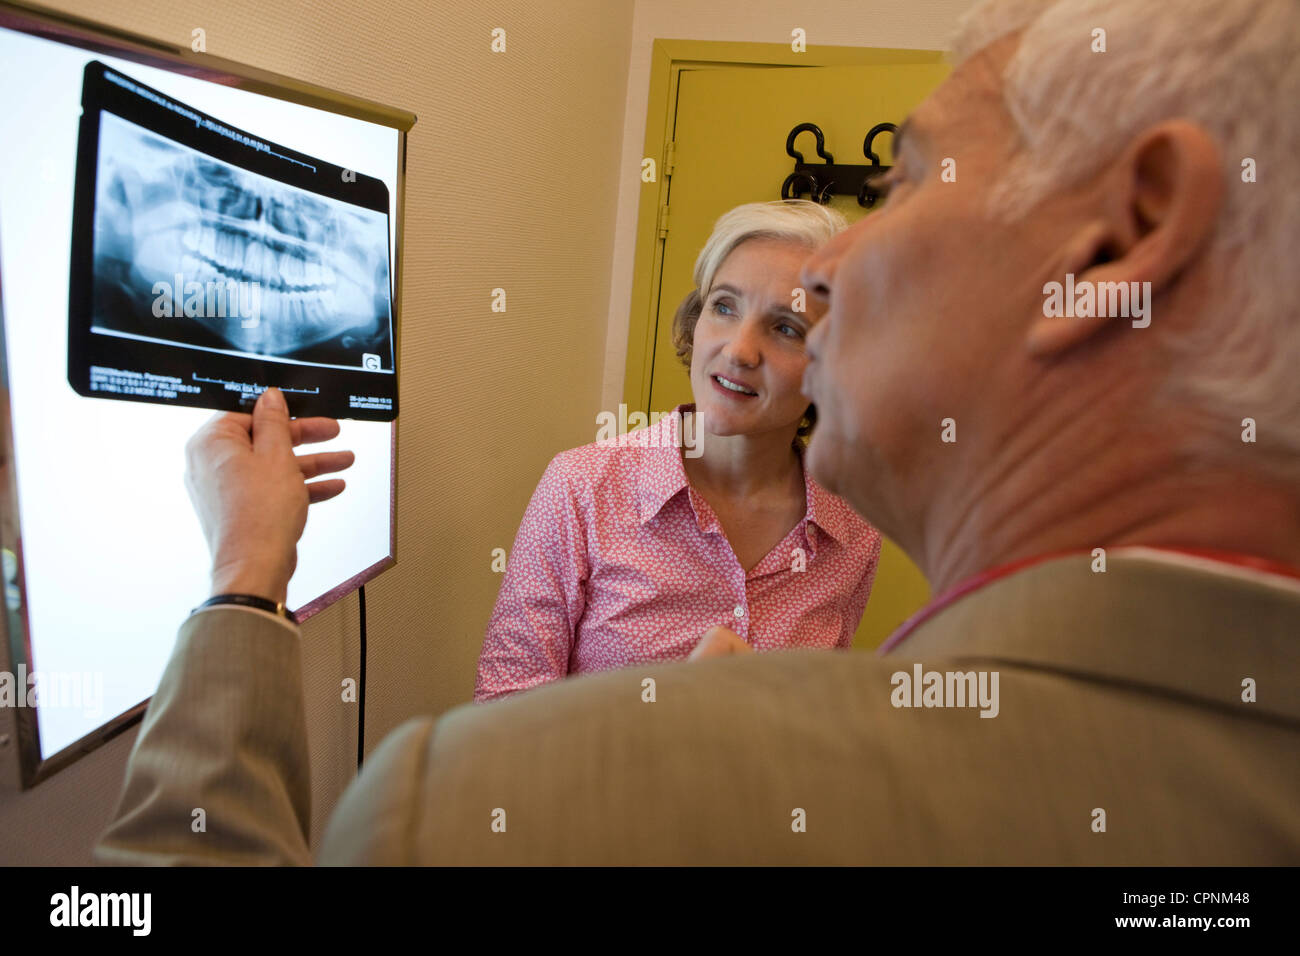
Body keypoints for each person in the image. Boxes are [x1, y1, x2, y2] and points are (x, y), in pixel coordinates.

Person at [96, 0, 1300, 865]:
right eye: (729, 307)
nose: (823, 281)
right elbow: (512, 681)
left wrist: (245, 587)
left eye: (900, 176)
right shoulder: (588, 482)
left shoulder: (457, 806)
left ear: (1113, 245)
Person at [474, 200, 881, 701]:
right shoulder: (582, 488)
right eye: (724, 306)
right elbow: (502, 715)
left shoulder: (854, 529)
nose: (737, 350)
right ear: (696, 317)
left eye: (786, 328)